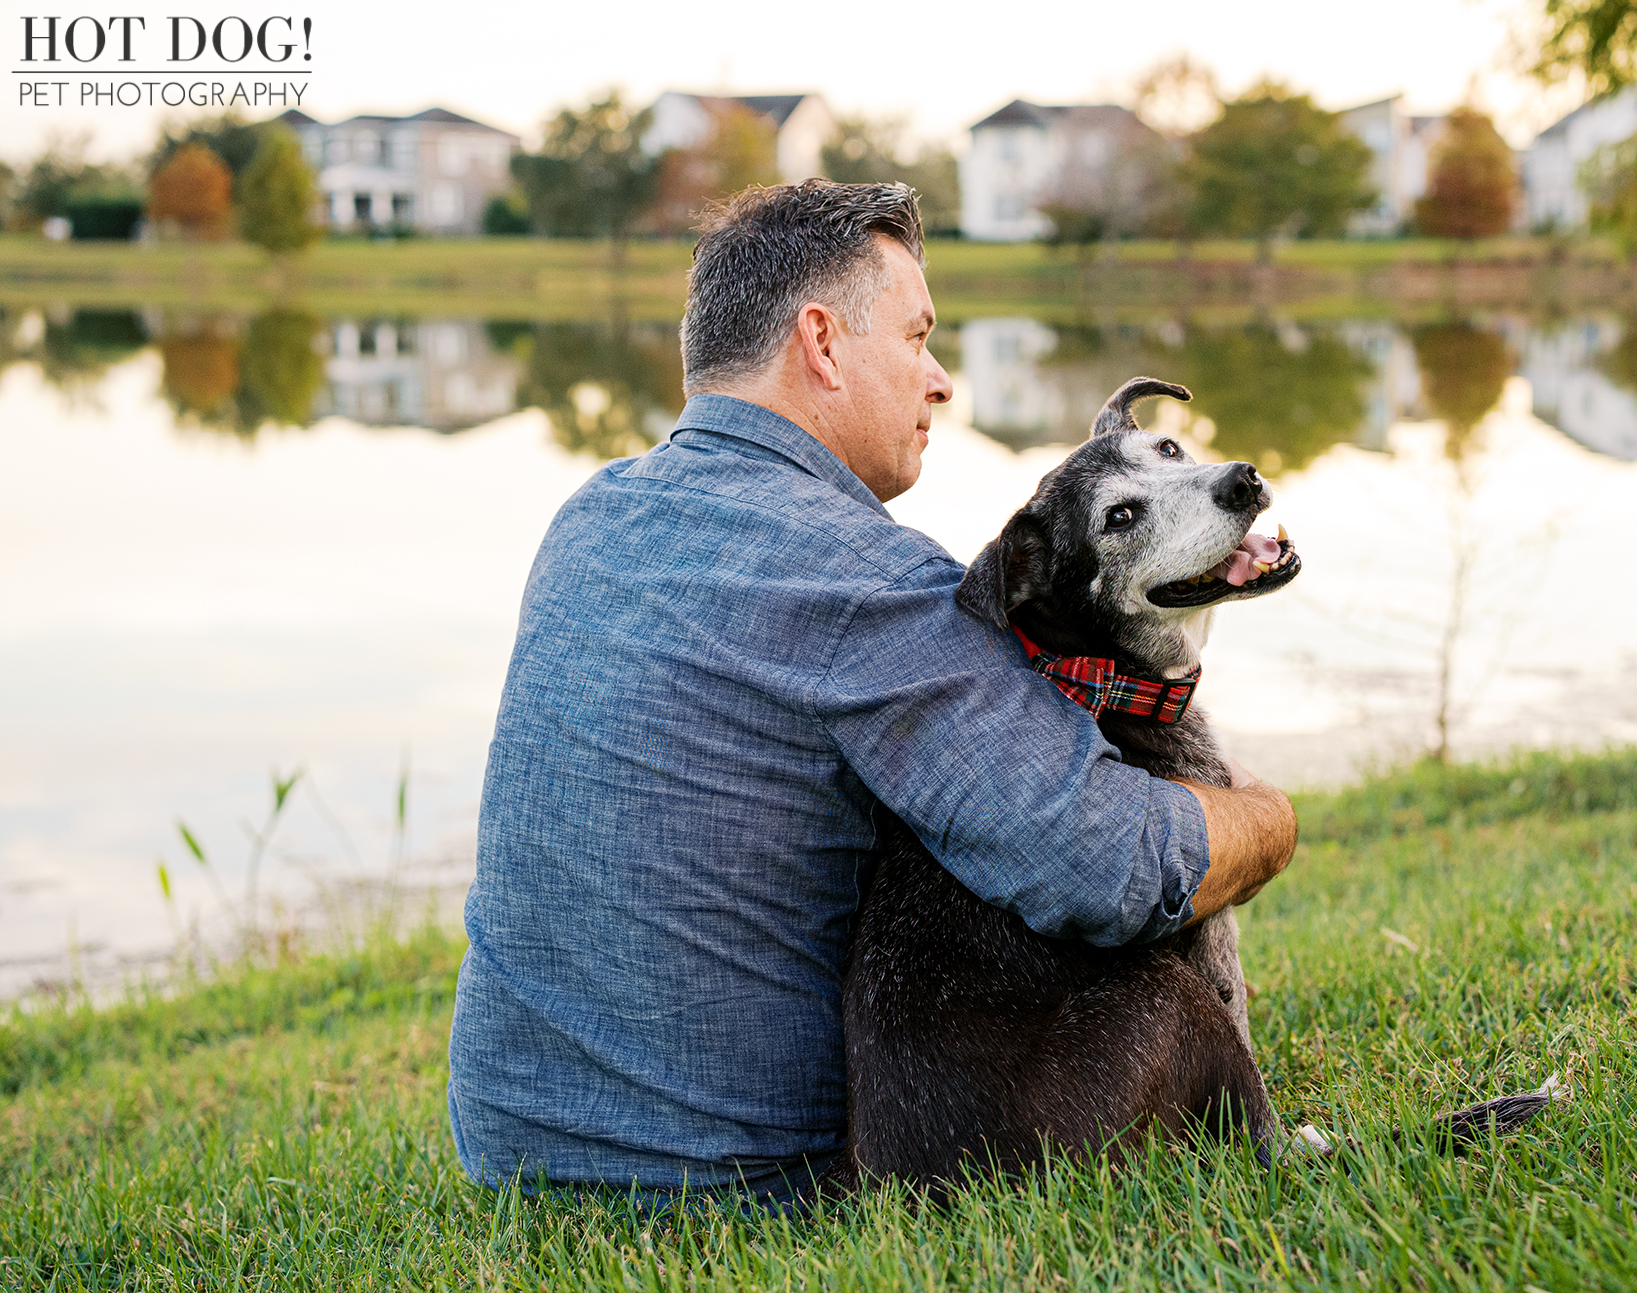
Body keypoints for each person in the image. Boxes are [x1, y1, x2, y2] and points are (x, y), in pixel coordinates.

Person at [446, 180, 1297, 1208]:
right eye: (917, 337)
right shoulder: (871, 585)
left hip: (512, 1162)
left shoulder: (591, 517)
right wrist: (1265, 820)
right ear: (821, 342)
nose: (939, 381)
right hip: (730, 1189)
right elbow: (1110, 867)